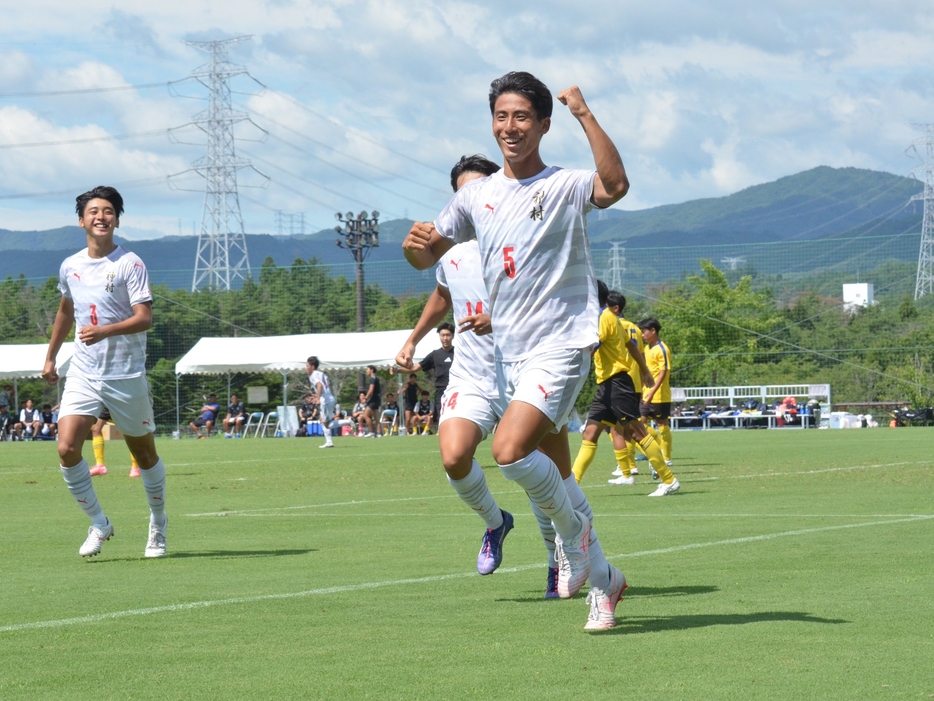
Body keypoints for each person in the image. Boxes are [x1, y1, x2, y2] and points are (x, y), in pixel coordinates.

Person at [403, 72, 629, 623]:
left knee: (508, 451)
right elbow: (427, 256)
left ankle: (572, 546)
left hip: (563, 345)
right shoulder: (476, 195)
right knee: (555, 470)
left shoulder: (564, 185)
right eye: (502, 116)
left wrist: (585, 113)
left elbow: (615, 186)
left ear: (543, 125)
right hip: (508, 355)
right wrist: (413, 247)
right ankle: (604, 579)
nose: (511, 127)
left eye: (523, 117)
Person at [41, 185, 168, 558]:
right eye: (94, 211)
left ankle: (158, 523)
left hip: (125, 374)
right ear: (81, 220)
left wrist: (105, 331)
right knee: (66, 448)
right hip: (84, 371)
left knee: (144, 456)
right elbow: (66, 310)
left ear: (116, 219)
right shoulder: (70, 265)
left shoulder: (131, 263)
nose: (101, 216)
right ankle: (99, 522)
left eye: (108, 211)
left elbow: (144, 318)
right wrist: (51, 357)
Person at [571, 286, 679, 496]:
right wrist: (646, 372)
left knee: (637, 432)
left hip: (617, 383)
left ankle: (669, 479)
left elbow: (591, 346)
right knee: (590, 432)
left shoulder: (603, 318)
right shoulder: (612, 317)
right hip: (608, 385)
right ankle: (571, 483)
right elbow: (630, 345)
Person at [401, 324, 454, 428]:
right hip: (441, 391)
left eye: (448, 335)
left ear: (453, 336)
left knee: (457, 417)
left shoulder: (460, 352)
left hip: (457, 389)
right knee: (441, 417)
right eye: (442, 335)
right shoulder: (435, 354)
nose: (445, 338)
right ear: (439, 336)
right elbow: (415, 368)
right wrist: (398, 370)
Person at [639, 318, 674, 464]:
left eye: (644, 331)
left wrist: (652, 392)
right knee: (639, 424)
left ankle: (666, 457)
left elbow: (663, 372)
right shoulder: (647, 348)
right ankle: (658, 446)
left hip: (659, 395)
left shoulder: (662, 349)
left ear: (653, 331)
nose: (642, 335)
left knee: (662, 425)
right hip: (645, 393)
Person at [307, 356, 336, 448]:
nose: (306, 367)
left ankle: (347, 422)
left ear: (312, 366)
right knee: (323, 420)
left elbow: (320, 386)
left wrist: (318, 398)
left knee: (325, 423)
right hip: (330, 398)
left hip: (325, 400)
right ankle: (329, 441)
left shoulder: (312, 375)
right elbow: (324, 387)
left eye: (307, 365)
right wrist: (317, 396)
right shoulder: (322, 374)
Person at [362, 365, 381, 437]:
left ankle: (371, 432)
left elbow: (371, 390)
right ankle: (378, 433)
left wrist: (365, 398)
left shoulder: (372, 378)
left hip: (374, 399)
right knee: (376, 417)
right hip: (377, 399)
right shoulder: (376, 378)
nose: (366, 371)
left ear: (372, 370)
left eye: (367, 369)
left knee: (365, 415)